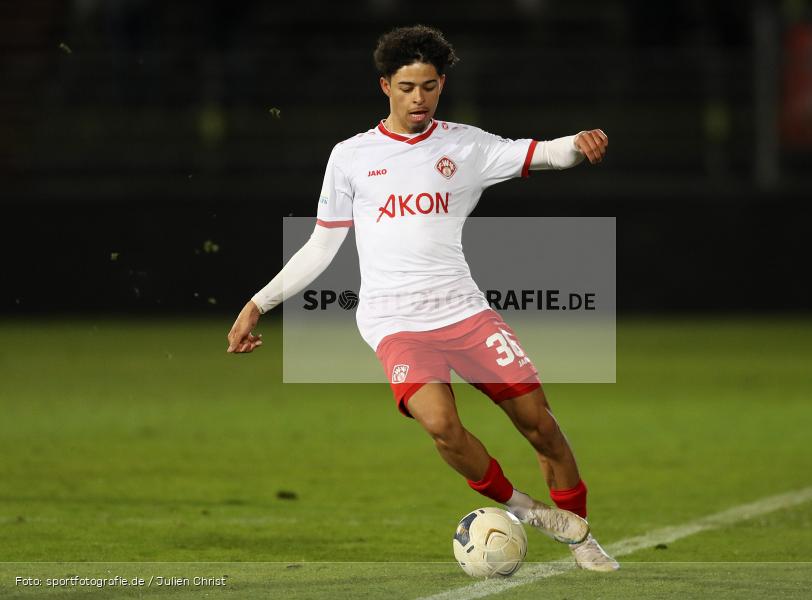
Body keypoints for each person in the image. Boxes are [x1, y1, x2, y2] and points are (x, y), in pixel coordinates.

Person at [226, 25, 617, 571]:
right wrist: (258, 304)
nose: (418, 98)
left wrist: (580, 143)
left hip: (464, 310)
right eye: (407, 87)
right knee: (440, 424)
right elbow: (322, 244)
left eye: (429, 87)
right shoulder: (351, 156)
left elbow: (547, 153)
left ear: (441, 85)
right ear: (385, 85)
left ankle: (583, 537)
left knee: (540, 424)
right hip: (394, 319)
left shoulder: (467, 145)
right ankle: (527, 510)